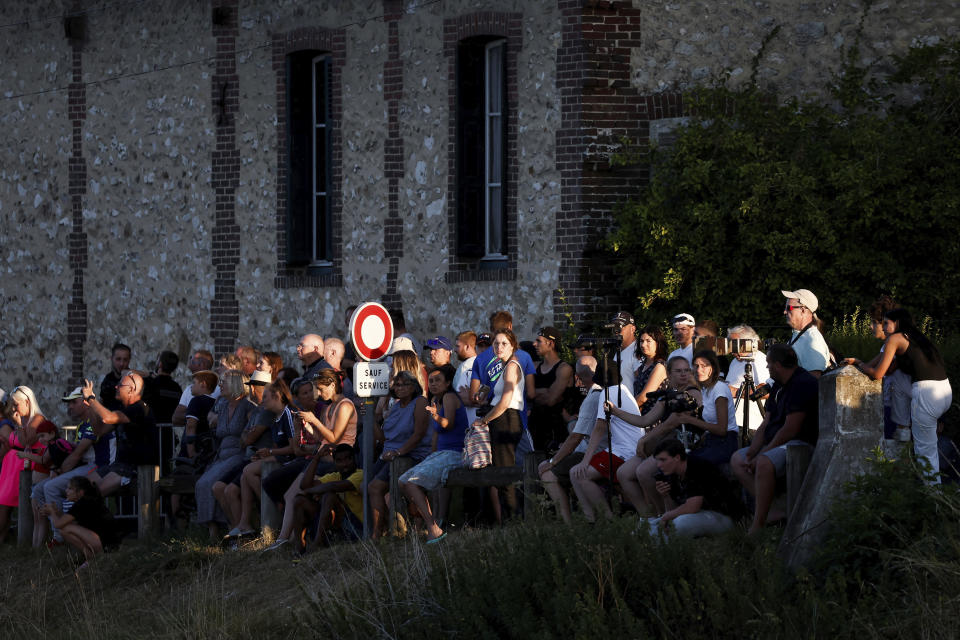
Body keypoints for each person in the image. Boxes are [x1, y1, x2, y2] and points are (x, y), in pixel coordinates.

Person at [847, 308, 952, 482]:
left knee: (925, 453)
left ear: (897, 323)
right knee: (898, 379)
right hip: (944, 391)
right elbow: (894, 371)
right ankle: (903, 430)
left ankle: (933, 501)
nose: (884, 327)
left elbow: (877, 373)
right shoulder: (917, 338)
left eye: (886, 323)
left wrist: (859, 363)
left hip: (926, 395)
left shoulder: (895, 339)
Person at [731, 344, 819, 533]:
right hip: (779, 441)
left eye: (769, 364)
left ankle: (757, 525)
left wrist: (762, 452)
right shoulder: (779, 384)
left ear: (778, 365)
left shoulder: (803, 383)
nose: (767, 368)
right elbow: (766, 423)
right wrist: (752, 452)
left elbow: (791, 428)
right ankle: (773, 509)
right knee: (738, 459)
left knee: (763, 462)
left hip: (799, 441)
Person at [268, 368, 358, 549]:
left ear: (333, 385)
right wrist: (307, 426)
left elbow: (335, 438)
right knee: (289, 492)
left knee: (295, 493)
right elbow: (322, 438)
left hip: (338, 461)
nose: (318, 393)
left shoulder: (345, 405)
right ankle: (288, 538)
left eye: (320, 388)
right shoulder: (329, 407)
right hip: (323, 457)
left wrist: (314, 421)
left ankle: (286, 539)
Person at [606, 357, 701, 516]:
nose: (683, 374)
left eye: (686, 370)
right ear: (669, 375)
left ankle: (663, 515)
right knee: (623, 473)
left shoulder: (692, 393)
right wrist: (615, 411)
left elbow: (672, 422)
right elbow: (644, 420)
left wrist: (645, 439)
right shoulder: (667, 395)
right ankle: (647, 517)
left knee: (643, 471)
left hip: (685, 444)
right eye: (678, 371)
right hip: (665, 444)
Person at [569, 360, 644, 522]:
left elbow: (599, 429)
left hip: (625, 451)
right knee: (575, 473)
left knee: (581, 474)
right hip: (626, 448)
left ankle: (608, 520)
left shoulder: (608, 393)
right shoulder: (623, 390)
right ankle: (591, 519)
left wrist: (585, 460)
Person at [399, 364, 467, 542]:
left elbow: (448, 424)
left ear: (447, 383)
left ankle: (432, 527)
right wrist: (431, 456)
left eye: (438, 380)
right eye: (431, 381)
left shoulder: (450, 397)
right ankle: (428, 522)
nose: (434, 384)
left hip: (455, 453)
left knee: (412, 484)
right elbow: (437, 434)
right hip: (441, 454)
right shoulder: (436, 402)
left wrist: (435, 416)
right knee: (402, 481)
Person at [41, 387, 113, 546]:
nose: (70, 406)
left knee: (51, 487)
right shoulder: (82, 425)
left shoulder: (94, 421)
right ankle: (49, 533)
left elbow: (77, 455)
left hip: (99, 466)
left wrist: (58, 470)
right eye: (69, 403)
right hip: (87, 465)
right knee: (39, 489)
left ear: (87, 403)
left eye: (74, 402)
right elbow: (77, 451)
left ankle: (60, 537)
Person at [229, 379, 296, 539]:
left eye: (266, 397)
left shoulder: (288, 414)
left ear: (277, 396)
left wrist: (271, 452)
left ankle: (275, 507)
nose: (262, 400)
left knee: (248, 471)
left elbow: (294, 449)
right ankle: (245, 523)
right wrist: (264, 454)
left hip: (290, 460)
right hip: (280, 458)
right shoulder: (275, 417)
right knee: (246, 476)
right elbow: (275, 446)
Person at [539, 356, 602, 523]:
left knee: (546, 472)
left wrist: (552, 461)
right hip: (602, 451)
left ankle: (568, 523)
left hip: (595, 453)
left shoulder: (592, 398)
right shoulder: (606, 392)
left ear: (577, 378)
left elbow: (575, 438)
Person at [368, 371, 431, 538]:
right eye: (397, 384)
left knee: (375, 487)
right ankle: (383, 530)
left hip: (409, 454)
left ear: (413, 387)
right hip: (388, 454)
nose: (400, 388)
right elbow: (383, 438)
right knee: (365, 485)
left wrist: (398, 452)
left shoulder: (420, 402)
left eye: (404, 384)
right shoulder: (396, 406)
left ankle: (379, 533)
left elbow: (418, 434)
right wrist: (370, 419)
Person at [473, 329, 528, 519]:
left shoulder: (512, 366)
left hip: (506, 420)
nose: (498, 347)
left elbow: (505, 402)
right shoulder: (504, 366)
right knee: (501, 473)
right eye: (496, 343)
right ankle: (510, 520)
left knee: (505, 475)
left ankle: (513, 521)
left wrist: (484, 420)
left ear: (513, 345)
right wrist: (483, 394)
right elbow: (496, 392)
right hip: (502, 419)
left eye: (504, 343)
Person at [644, 439, 742, 539]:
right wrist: (665, 495)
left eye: (663, 460)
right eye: (658, 460)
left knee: (680, 523)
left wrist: (667, 516)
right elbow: (674, 510)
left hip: (725, 517)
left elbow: (692, 506)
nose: (658, 465)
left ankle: (665, 548)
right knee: (649, 525)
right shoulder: (673, 473)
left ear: (677, 457)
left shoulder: (696, 466)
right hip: (701, 514)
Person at [195, 370, 253, 539]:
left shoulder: (247, 406)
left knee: (209, 483)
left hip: (238, 453)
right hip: (222, 454)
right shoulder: (224, 405)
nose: (220, 385)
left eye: (224, 382)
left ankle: (228, 526)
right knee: (201, 483)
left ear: (236, 384)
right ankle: (213, 527)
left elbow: (252, 430)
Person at [83, 371, 158, 496]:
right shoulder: (125, 410)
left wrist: (92, 399)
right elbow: (99, 430)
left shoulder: (139, 408)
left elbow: (108, 418)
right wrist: (90, 406)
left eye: (120, 385)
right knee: (81, 486)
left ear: (131, 389)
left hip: (134, 468)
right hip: (119, 465)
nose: (116, 387)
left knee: (92, 494)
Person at [294, 444, 364, 551]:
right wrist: (317, 457)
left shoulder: (360, 474)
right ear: (334, 463)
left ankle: (317, 544)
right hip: (339, 527)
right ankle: (299, 547)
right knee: (299, 500)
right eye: (339, 460)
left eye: (348, 459)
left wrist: (310, 491)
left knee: (329, 495)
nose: (345, 464)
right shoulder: (336, 476)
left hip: (357, 529)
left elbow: (333, 486)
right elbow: (304, 485)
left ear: (354, 459)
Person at [41, 476, 118, 567]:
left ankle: (91, 558)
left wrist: (52, 512)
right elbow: (69, 522)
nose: (66, 491)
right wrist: (56, 513)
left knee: (64, 529)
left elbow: (58, 525)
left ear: (80, 492)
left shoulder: (83, 503)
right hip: (108, 542)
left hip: (105, 543)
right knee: (66, 528)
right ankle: (91, 557)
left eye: (70, 489)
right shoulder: (86, 501)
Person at [530, 326, 574, 451]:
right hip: (536, 426)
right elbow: (527, 393)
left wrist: (533, 393)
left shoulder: (564, 368)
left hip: (556, 429)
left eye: (539, 341)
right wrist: (541, 391)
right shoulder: (535, 366)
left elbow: (551, 399)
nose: (534, 344)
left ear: (550, 343)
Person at [725, 325, 770, 434]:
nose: (731, 349)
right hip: (731, 421)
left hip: (749, 424)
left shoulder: (759, 359)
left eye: (734, 344)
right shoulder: (735, 362)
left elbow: (766, 392)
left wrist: (736, 392)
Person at [782, 288, 830, 376]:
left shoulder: (812, 340)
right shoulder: (799, 335)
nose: (785, 312)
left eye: (789, 308)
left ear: (803, 310)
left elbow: (814, 381)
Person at [172, 349, 216, 426]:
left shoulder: (219, 389)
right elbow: (176, 418)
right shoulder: (189, 389)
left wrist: (192, 415)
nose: (188, 366)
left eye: (192, 361)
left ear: (201, 364)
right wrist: (196, 415)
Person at [141, 350, 183, 423]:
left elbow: (143, 405)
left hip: (151, 430)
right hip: (168, 431)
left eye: (158, 359)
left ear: (160, 364)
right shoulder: (177, 388)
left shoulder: (150, 383)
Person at [633, 324, 669, 408]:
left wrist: (624, 412)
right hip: (640, 416)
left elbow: (643, 398)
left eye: (648, 341)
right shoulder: (641, 367)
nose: (643, 345)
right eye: (641, 341)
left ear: (658, 343)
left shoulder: (660, 366)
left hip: (652, 418)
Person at [607, 311, 640, 389]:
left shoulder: (638, 350)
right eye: (614, 326)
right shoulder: (616, 350)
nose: (616, 330)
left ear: (633, 329)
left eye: (620, 326)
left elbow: (642, 382)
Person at [453, 331, 478, 426]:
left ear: (467, 346)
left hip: (470, 421)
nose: (455, 350)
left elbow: (462, 397)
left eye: (457, 346)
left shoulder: (466, 366)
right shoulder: (482, 364)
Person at [99, 342, 131, 410]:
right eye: (118, 359)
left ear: (129, 361)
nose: (121, 364)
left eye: (125, 360)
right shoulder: (107, 380)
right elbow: (101, 404)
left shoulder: (134, 380)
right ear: (112, 359)